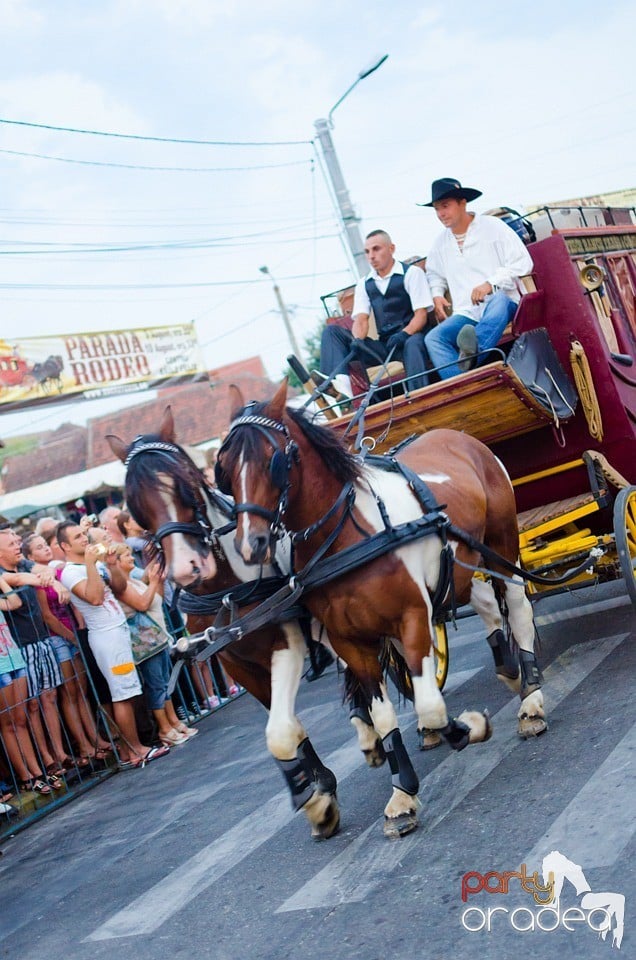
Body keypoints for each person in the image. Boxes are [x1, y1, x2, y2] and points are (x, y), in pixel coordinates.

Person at [57, 521, 169, 768]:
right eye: (77, 537)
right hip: (106, 637)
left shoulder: (95, 563)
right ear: (65, 545)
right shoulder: (71, 572)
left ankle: (132, 750)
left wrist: (109, 564)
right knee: (122, 694)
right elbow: (95, 598)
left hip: (117, 632)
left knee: (127, 691)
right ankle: (135, 750)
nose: (84, 539)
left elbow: (118, 587)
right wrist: (89, 564)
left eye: (83, 534)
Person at [421, 177, 534, 378]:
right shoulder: (440, 243)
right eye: (437, 209)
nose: (440, 214)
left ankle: (472, 356)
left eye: (445, 206)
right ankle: (461, 383)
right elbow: (434, 274)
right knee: (433, 338)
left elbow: (522, 262)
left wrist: (491, 283)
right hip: (467, 313)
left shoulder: (493, 227)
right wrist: (437, 294)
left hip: (503, 302)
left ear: (462, 202)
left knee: (498, 300)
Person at [22, 534, 111, 763]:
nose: (46, 550)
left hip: (72, 633)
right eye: (39, 548)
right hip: (58, 637)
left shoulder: (57, 572)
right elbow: (47, 617)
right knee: (70, 694)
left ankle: (94, 738)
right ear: (30, 556)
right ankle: (83, 745)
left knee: (81, 692)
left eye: (45, 545)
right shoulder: (39, 580)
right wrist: (72, 637)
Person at [319, 229, 434, 396]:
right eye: (367, 251)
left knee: (413, 344)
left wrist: (403, 334)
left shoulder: (411, 274)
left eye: (376, 249)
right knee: (332, 332)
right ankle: (339, 385)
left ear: (391, 248)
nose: (371, 256)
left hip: (411, 337)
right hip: (385, 345)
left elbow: (421, 315)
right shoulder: (364, 284)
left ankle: (420, 396)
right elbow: (361, 319)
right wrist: (358, 339)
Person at [0, 528, 73, 784]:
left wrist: (51, 580)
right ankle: (37, 767)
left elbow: (38, 574)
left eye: (16, 542)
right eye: (11, 544)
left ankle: (51, 759)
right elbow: (18, 583)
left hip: (26, 646)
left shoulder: (22, 564)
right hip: (17, 648)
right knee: (20, 712)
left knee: (42, 702)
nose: (18, 546)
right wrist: (37, 580)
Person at [111, 543, 197, 745]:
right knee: (156, 684)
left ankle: (173, 722)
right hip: (144, 641)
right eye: (126, 556)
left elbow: (154, 598)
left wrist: (155, 579)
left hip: (157, 636)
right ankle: (164, 728)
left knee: (164, 681)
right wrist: (152, 582)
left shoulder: (134, 581)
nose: (132, 558)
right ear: (117, 562)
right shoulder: (123, 586)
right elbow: (142, 604)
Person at [0, 572, 54, 795]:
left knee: (20, 719)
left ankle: (37, 770)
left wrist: (1, 581)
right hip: (1, 666)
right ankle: (26, 776)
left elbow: (14, 602)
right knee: (8, 724)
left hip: (13, 655)